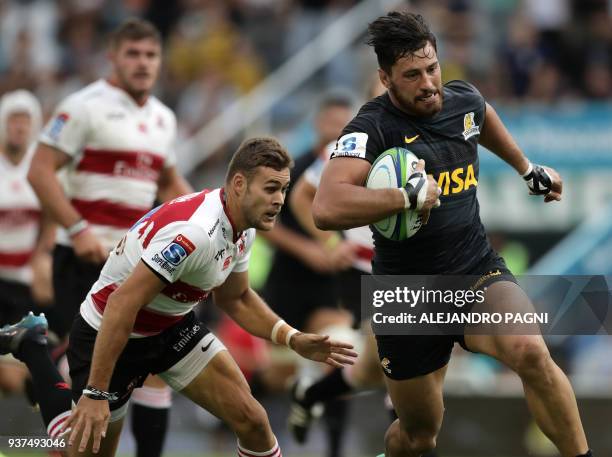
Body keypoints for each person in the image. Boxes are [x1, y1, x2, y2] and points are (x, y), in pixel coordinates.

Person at [313, 11, 592, 457]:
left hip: (474, 271)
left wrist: (527, 168)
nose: (428, 83)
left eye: (432, 68)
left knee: (532, 353)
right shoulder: (370, 127)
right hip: (406, 294)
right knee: (419, 436)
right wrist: (404, 196)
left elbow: (482, 117)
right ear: (385, 79)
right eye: (411, 75)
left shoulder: (462, 99)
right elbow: (325, 208)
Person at [0, 136, 357, 457]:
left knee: (253, 420)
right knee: (79, 450)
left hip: (172, 327)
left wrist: (292, 339)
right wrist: (95, 392)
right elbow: (123, 303)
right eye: (271, 189)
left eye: (283, 189)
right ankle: (33, 347)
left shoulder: (243, 225)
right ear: (238, 184)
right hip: (111, 332)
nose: (279, 200)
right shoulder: (195, 233)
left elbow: (237, 299)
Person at [27, 19, 193, 457]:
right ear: (113, 58)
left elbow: (172, 184)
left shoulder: (163, 118)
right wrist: (77, 229)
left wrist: (215, 218)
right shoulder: (84, 107)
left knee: (154, 369)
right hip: (83, 258)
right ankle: (44, 386)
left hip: (135, 265)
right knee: (84, 372)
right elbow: (40, 170)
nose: (142, 63)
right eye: (133, 54)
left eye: (150, 55)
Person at [259, 94, 358, 457]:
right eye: (331, 124)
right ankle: (239, 429)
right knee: (276, 374)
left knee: (340, 353)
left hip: (330, 286)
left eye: (343, 126)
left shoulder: (356, 172)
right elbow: (265, 225)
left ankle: (334, 448)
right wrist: (309, 250)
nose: (336, 132)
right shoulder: (293, 169)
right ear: (317, 124)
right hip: (287, 281)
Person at [0, 90, 53, 397]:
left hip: (23, 281)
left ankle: (52, 433)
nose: (19, 127)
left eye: (24, 120)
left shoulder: (39, 168)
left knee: (24, 367)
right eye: (13, 119)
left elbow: (51, 214)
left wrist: (42, 254)